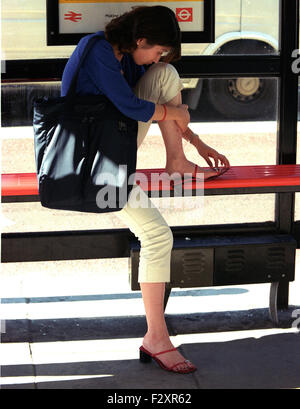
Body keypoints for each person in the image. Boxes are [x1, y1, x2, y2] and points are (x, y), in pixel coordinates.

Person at [61, 5, 230, 374]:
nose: (157, 57)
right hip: (91, 163)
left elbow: (159, 98)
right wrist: (178, 118)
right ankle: (156, 338)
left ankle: (178, 162)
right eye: (155, 50)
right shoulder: (98, 49)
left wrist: (197, 142)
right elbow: (131, 106)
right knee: (156, 235)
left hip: (111, 147)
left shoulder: (129, 57)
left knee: (166, 75)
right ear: (140, 40)